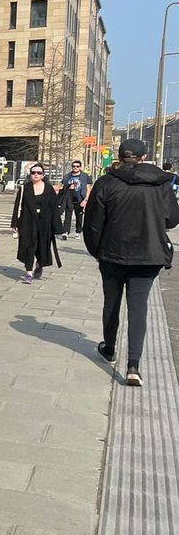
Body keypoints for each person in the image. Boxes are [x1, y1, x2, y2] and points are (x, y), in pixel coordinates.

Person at [83, 138, 179, 387]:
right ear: (144, 157)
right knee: (138, 307)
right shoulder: (161, 184)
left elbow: (92, 223)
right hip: (148, 255)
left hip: (113, 253)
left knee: (112, 302)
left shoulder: (107, 182)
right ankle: (133, 365)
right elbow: (172, 219)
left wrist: (97, 251)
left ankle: (109, 348)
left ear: (120, 156)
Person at [11, 163, 62, 283]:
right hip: (28, 222)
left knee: (42, 246)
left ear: (43, 175)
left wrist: (57, 226)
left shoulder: (48, 189)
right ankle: (28, 272)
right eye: (33, 172)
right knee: (28, 246)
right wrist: (15, 223)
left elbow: (54, 208)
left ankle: (39, 265)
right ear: (30, 174)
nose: (36, 175)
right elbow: (18, 206)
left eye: (39, 173)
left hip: (44, 223)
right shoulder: (25, 188)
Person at [60, 159, 94, 240]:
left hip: (80, 198)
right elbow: (62, 187)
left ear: (80, 167)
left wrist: (85, 200)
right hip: (69, 198)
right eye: (74, 166)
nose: (75, 168)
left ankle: (78, 231)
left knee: (79, 217)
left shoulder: (85, 176)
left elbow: (88, 188)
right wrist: (67, 188)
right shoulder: (67, 176)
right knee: (67, 216)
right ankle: (65, 232)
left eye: (77, 166)